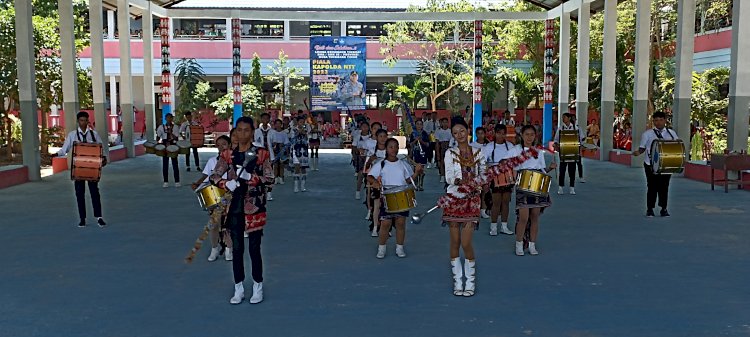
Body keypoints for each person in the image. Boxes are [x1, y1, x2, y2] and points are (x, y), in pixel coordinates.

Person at [210, 117, 274, 305]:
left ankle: (257, 286)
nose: (243, 134)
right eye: (239, 130)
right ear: (235, 132)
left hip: (254, 206)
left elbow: (270, 178)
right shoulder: (227, 155)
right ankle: (238, 288)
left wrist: (252, 178)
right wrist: (225, 183)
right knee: (237, 249)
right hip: (233, 207)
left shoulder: (261, 154)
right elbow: (214, 175)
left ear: (252, 132)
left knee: (254, 249)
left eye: (247, 130)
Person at [439, 117, 487, 297]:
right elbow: (449, 176)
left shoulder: (478, 153)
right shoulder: (450, 153)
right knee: (455, 242)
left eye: (461, 131)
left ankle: (471, 282)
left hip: (472, 200)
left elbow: (483, 174)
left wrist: (480, 181)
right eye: (455, 133)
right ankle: (458, 282)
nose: (459, 135)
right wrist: (459, 181)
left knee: (466, 242)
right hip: (454, 198)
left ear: (468, 131)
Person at [368, 138, 423, 259]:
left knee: (401, 223)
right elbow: (370, 176)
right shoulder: (381, 164)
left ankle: (400, 247)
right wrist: (375, 183)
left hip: (402, 195)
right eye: (391, 147)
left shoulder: (404, 164)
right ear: (386, 149)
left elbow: (408, 180)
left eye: (396, 146)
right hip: (386, 197)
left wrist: (417, 172)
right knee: (385, 223)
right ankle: (381, 248)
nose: (394, 149)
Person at [57, 111, 108, 228]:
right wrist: (56, 154)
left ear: (88, 121)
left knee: (95, 193)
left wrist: (103, 159)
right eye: (81, 120)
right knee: (80, 194)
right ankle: (82, 218)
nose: (83, 123)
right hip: (78, 169)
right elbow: (65, 149)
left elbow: (101, 149)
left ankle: (99, 217)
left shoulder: (94, 135)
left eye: (85, 120)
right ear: (78, 121)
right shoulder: (72, 135)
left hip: (92, 170)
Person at [514, 125, 556, 256]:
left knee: (534, 217)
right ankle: (519, 244)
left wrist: (550, 168)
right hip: (523, 185)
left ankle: (532, 244)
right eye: (527, 134)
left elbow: (542, 170)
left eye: (532, 134)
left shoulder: (538, 152)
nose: (529, 137)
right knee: (523, 217)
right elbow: (514, 170)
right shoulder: (516, 150)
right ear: (521, 135)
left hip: (537, 185)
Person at [191, 135, 233, 262]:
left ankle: (228, 249)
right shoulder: (212, 161)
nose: (221, 147)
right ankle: (214, 248)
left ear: (230, 145)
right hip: (215, 195)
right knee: (214, 224)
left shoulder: (234, 161)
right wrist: (197, 183)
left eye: (224, 144)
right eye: (218, 145)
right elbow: (206, 174)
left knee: (228, 225)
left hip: (230, 196)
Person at [631, 111, 679, 217]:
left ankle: (664, 208)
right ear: (653, 121)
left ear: (665, 120)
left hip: (666, 165)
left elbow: (676, 147)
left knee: (664, 186)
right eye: (656, 120)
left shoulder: (671, 133)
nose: (658, 122)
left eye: (661, 120)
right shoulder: (647, 134)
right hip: (650, 164)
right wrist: (638, 152)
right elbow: (642, 148)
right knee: (652, 186)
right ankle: (650, 209)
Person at [482, 124, 515, 236]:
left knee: (505, 202)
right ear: (494, 133)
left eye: (503, 133)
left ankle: (504, 226)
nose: (501, 135)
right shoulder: (489, 147)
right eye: (498, 133)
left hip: (507, 177)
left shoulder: (510, 146)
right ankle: (494, 226)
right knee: (496, 203)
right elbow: (483, 162)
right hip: (495, 177)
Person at [365, 128, 389, 237]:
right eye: (381, 136)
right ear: (377, 138)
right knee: (377, 205)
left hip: (388, 181)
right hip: (376, 182)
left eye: (385, 136)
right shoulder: (373, 151)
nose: (383, 138)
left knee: (388, 206)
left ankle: (387, 228)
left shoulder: (390, 150)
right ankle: (375, 227)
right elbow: (367, 167)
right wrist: (371, 160)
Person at [554, 113, 585, 195]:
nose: (563, 119)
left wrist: (580, 148)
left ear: (569, 118)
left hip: (573, 152)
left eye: (564, 117)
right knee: (562, 170)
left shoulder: (577, 128)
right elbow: (556, 140)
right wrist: (556, 145)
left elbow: (582, 139)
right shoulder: (560, 128)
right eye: (562, 117)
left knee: (572, 170)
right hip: (563, 153)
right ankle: (560, 187)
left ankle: (572, 187)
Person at [254, 113, 277, 200]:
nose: (265, 120)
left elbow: (274, 144)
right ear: (261, 119)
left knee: (270, 175)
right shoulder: (256, 131)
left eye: (267, 119)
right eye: (263, 118)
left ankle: (269, 192)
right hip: (259, 156)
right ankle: (261, 191)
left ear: (269, 120)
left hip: (270, 155)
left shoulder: (272, 132)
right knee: (260, 173)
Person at [470, 127, 491, 219]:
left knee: (485, 190)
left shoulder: (489, 145)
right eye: (478, 133)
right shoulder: (471, 145)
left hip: (485, 171)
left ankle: (483, 210)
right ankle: (474, 209)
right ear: (476, 134)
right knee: (475, 191)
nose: (480, 135)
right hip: (474, 171)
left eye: (482, 133)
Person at [157, 113, 181, 188]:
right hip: (165, 144)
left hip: (173, 144)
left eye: (170, 118)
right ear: (165, 118)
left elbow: (176, 138)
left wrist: (171, 132)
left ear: (172, 118)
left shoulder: (175, 127)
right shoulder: (161, 127)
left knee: (175, 164)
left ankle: (177, 181)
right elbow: (158, 136)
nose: (169, 119)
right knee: (165, 164)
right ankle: (165, 181)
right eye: (167, 118)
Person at [353, 121, 372, 200]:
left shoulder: (371, 137)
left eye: (366, 126)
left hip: (371, 158)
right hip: (361, 157)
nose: (364, 128)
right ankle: (358, 191)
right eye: (363, 126)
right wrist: (357, 151)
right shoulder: (358, 136)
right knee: (361, 173)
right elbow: (354, 146)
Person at [409, 120, 430, 191]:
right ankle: (416, 184)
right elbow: (410, 144)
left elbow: (427, 144)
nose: (419, 126)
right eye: (417, 124)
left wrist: (421, 141)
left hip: (423, 153)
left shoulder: (425, 134)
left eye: (420, 124)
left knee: (421, 169)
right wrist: (415, 140)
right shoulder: (413, 134)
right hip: (416, 153)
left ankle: (421, 185)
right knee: (416, 169)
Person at [290, 120, 310, 193]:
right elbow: (292, 139)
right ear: (297, 123)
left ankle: (303, 186)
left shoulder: (306, 130)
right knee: (297, 167)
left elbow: (307, 139)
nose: (301, 123)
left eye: (302, 122)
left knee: (303, 168)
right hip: (296, 150)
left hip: (304, 151)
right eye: (300, 122)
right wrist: (298, 132)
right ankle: (296, 186)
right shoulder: (293, 130)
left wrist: (304, 133)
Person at [271, 119, 290, 185]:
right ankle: (275, 178)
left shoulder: (284, 133)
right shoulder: (272, 132)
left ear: (281, 124)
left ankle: (281, 178)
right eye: (277, 123)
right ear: (275, 125)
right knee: (275, 165)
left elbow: (286, 143)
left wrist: (287, 153)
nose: (278, 125)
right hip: (274, 149)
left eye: (279, 123)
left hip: (282, 149)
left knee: (281, 165)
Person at [434, 118, 452, 183]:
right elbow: (437, 142)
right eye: (443, 122)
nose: (445, 124)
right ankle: (442, 176)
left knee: (449, 162)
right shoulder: (438, 131)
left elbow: (451, 140)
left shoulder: (450, 131)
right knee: (441, 161)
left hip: (449, 146)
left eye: (446, 122)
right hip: (441, 146)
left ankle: (448, 176)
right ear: (441, 123)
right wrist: (437, 150)